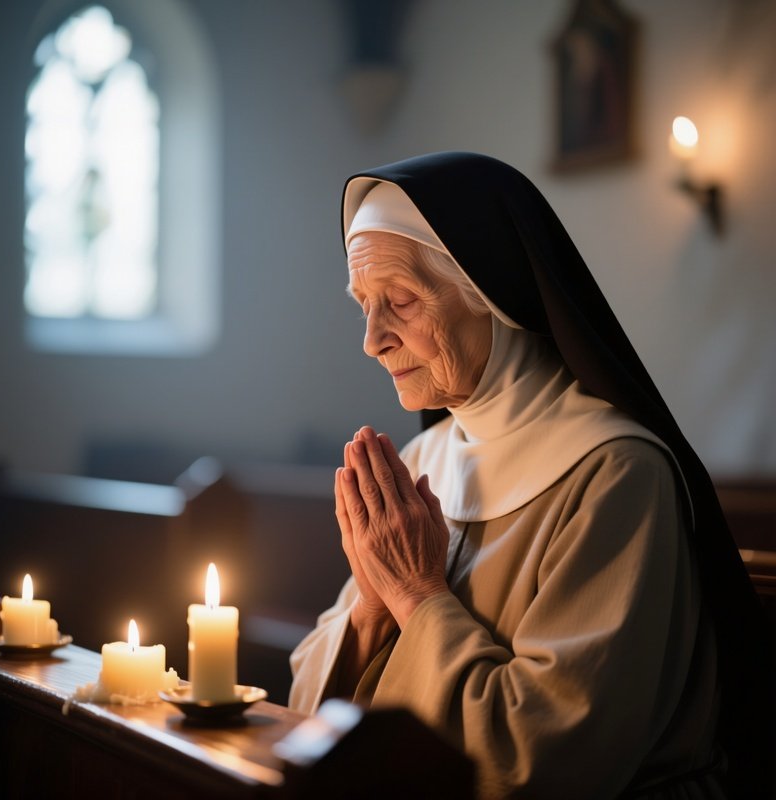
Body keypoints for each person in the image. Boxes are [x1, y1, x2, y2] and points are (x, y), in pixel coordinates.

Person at [288, 152, 771, 799]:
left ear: (493, 295)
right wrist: (373, 610)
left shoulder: (616, 475)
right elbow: (304, 707)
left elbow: (540, 763)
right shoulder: (422, 460)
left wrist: (416, 597)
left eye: (400, 301)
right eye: (364, 306)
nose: (374, 339)